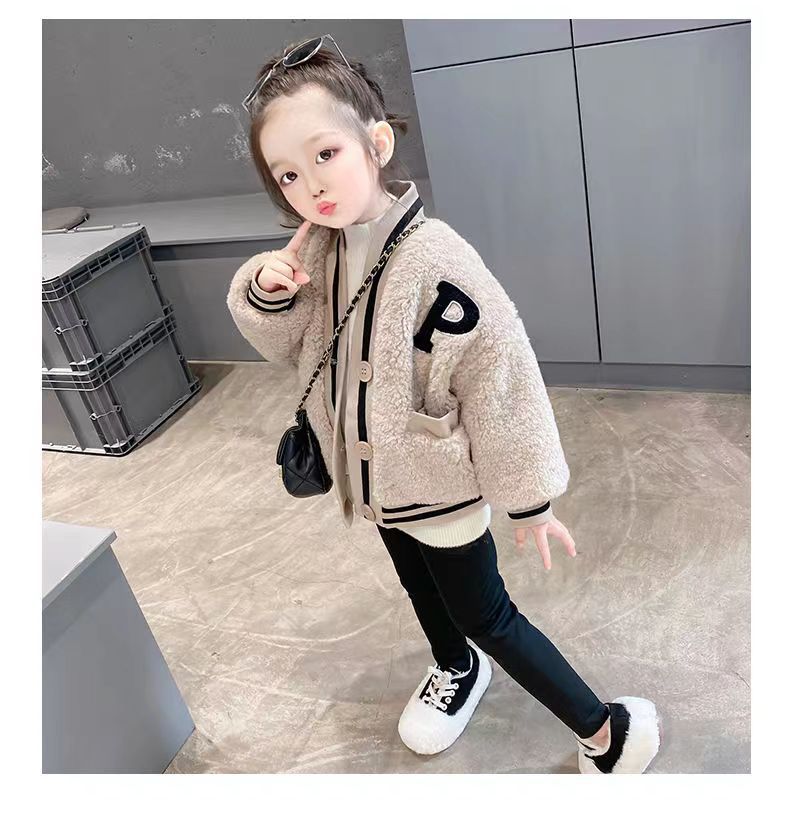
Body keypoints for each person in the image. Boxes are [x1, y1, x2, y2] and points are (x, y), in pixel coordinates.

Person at [227, 35, 662, 774]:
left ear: (377, 143)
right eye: (288, 174)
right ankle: (455, 668)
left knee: (487, 615)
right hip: (374, 483)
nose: (310, 186)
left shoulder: (438, 258)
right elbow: (292, 347)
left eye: (326, 153)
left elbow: (500, 378)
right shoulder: (321, 249)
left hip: (436, 482)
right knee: (418, 586)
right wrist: (269, 293)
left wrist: (529, 500)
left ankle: (605, 733)